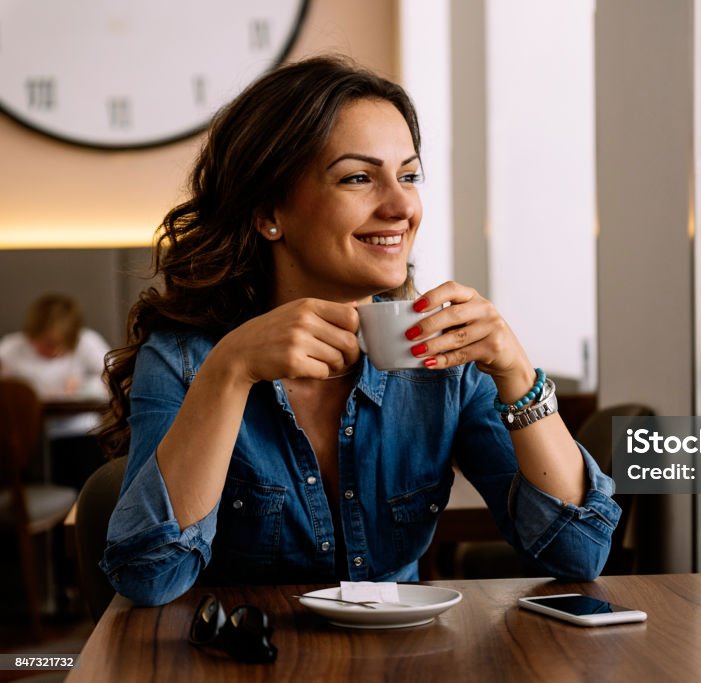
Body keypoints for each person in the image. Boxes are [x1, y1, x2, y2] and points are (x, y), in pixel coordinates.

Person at [98, 55, 620, 607]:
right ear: (269, 211)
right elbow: (147, 576)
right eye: (358, 178)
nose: (401, 207)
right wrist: (231, 372)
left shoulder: (440, 354)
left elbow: (578, 553)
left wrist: (517, 374)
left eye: (409, 175)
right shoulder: (186, 358)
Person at [0, 293, 110, 487]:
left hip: (79, 433)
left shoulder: (87, 342)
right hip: (31, 439)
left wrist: (85, 386)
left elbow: (114, 378)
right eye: (45, 344)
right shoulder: (11, 348)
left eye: (58, 346)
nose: (51, 351)